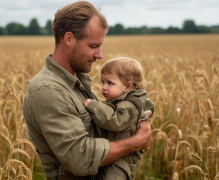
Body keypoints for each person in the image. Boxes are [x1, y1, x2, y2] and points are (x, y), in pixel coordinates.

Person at [22, 1, 152, 180]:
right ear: (69, 39)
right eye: (93, 46)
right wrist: (134, 143)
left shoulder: (76, 81)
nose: (100, 55)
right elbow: (80, 158)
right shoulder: (48, 90)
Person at [83, 57, 155, 179]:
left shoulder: (129, 105)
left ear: (128, 86)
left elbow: (114, 121)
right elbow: (149, 107)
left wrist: (94, 106)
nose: (104, 87)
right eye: (103, 82)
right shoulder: (126, 101)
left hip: (120, 160)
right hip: (116, 153)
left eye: (110, 83)